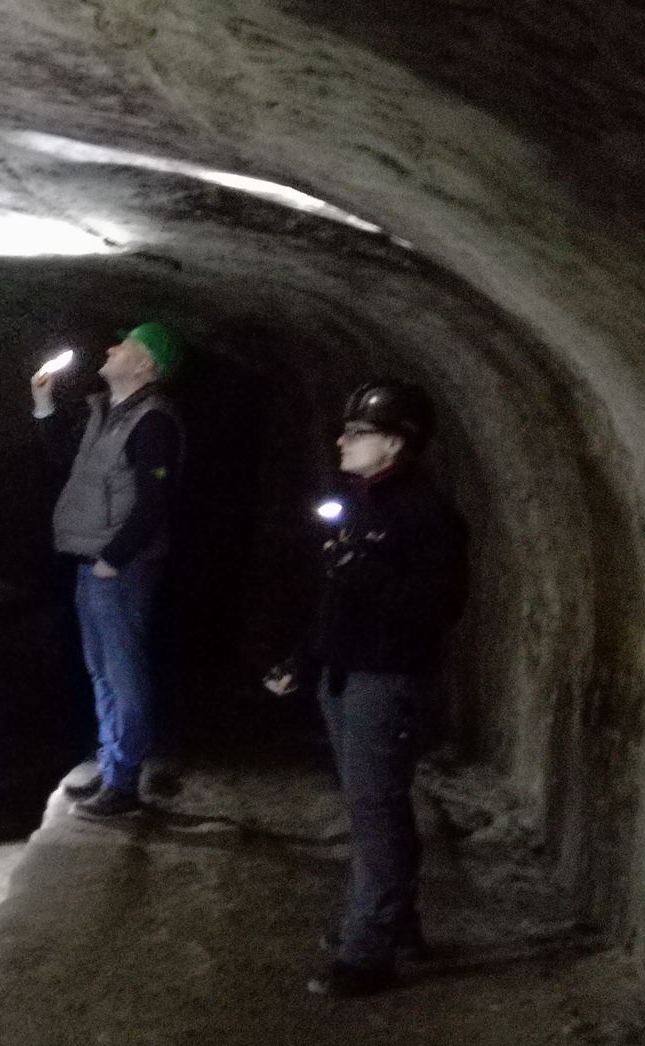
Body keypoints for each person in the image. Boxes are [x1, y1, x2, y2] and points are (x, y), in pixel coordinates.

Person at [265, 381, 466, 998]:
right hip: (348, 674)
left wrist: (372, 577)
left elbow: (438, 607)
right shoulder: (365, 503)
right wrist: (305, 657)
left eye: (357, 434)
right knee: (372, 806)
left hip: (389, 677)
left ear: (395, 443)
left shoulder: (424, 514)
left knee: (377, 811)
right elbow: (338, 600)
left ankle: (369, 952)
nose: (342, 442)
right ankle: (393, 923)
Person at [31, 322, 184, 819]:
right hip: (94, 562)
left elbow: (154, 501)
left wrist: (111, 560)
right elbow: (65, 466)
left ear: (144, 365)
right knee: (102, 671)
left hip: (121, 567)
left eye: (125, 345)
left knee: (124, 674)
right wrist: (44, 404)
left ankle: (124, 781)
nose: (112, 347)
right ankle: (111, 761)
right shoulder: (104, 411)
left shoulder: (153, 421)